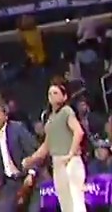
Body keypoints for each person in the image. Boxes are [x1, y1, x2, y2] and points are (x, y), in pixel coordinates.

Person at [24, 83, 87, 212]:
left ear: (64, 97)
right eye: (50, 93)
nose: (52, 96)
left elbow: (78, 132)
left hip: (70, 161)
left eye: (56, 93)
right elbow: (47, 145)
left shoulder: (66, 111)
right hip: (57, 162)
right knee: (65, 203)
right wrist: (31, 159)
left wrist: (70, 153)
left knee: (75, 200)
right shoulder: (50, 119)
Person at [0, 100, 39, 212]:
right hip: (8, 182)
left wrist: (32, 173)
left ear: (5, 116)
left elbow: (32, 151)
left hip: (26, 177)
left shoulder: (18, 128)